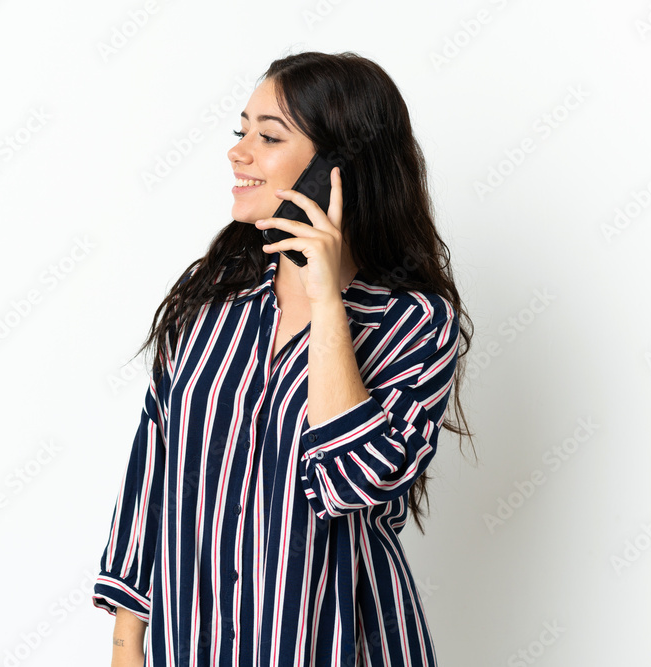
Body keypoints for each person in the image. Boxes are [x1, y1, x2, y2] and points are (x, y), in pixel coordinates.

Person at [92, 50, 474, 667]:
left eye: (268, 137)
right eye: (241, 130)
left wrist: (326, 303)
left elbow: (354, 482)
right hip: (192, 645)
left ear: (338, 168)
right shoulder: (208, 307)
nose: (237, 152)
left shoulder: (413, 320)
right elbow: (151, 483)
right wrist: (125, 649)